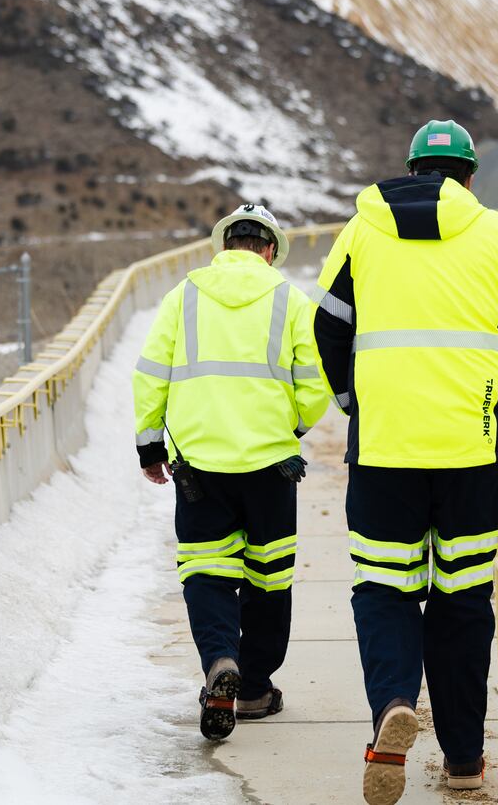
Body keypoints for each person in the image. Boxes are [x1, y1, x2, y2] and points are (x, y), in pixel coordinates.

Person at [309, 121, 498, 803]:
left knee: (385, 587)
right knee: (462, 599)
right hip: (473, 453)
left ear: (413, 169)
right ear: (469, 176)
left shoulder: (361, 232)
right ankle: (464, 761)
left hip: (386, 447)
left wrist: (352, 399)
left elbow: (327, 324)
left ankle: (393, 702)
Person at [133, 203, 330, 741]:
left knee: (207, 571)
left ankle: (220, 659)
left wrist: (151, 445)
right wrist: (289, 426)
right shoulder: (291, 300)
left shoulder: (183, 297)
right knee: (269, 578)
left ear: (224, 248)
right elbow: (317, 385)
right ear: (269, 251)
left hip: (199, 465)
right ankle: (255, 688)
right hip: (270, 466)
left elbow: (150, 373)